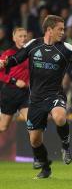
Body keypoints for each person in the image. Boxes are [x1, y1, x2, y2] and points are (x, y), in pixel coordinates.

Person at [0, 15, 72, 179]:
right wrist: (5, 63)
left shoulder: (65, 48)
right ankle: (45, 168)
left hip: (55, 94)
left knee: (60, 117)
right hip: (36, 99)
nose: (63, 32)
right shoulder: (33, 45)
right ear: (49, 30)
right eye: (60, 29)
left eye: (63, 29)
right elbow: (17, 59)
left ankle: (65, 146)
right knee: (35, 140)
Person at [0, 27, 42, 169]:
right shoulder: (8, 54)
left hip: (25, 95)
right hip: (9, 94)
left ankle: (37, 158)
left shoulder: (29, 53)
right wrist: (14, 81)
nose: (23, 38)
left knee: (32, 125)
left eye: (25, 36)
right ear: (14, 38)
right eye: (20, 36)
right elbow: (0, 74)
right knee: (3, 126)